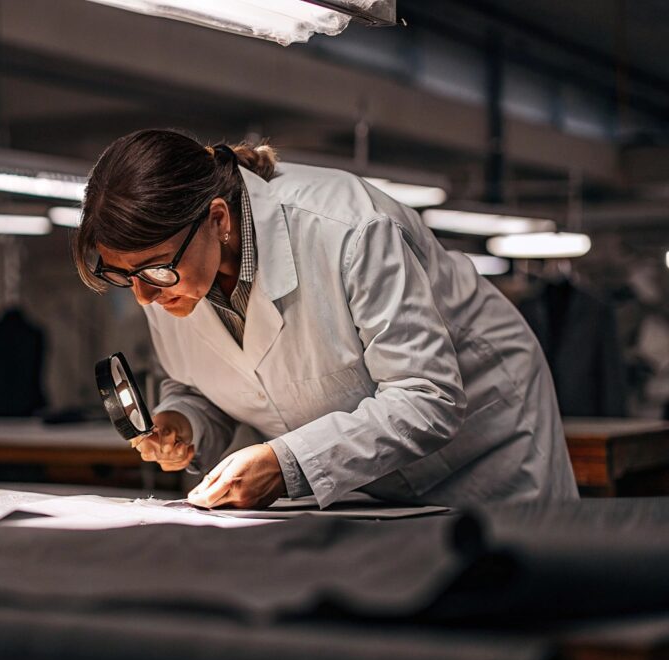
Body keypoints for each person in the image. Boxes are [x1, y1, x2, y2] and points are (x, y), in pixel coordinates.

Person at [73, 129, 579, 510]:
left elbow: (427, 396)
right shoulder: (169, 275)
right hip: (361, 488)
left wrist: (286, 464)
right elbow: (204, 383)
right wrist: (183, 423)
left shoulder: (349, 229)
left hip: (484, 446)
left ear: (218, 220)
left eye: (154, 270)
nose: (143, 296)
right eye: (122, 276)